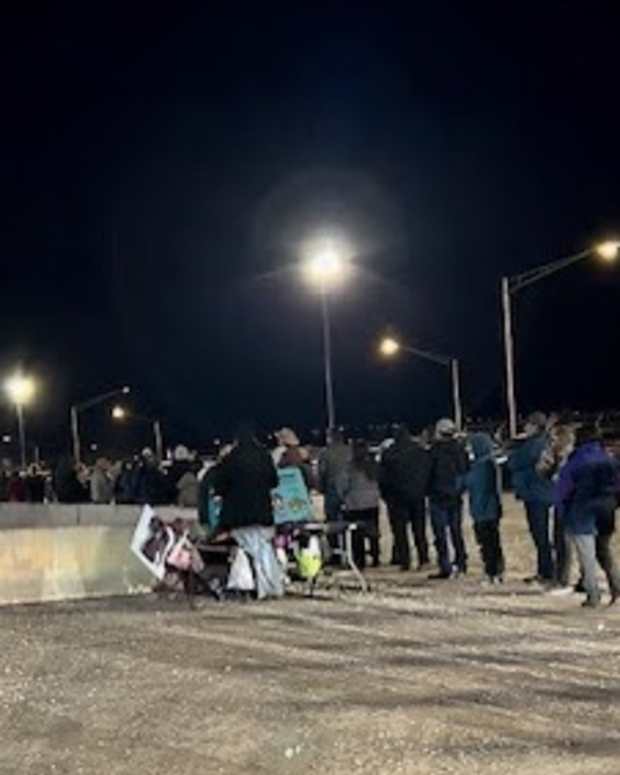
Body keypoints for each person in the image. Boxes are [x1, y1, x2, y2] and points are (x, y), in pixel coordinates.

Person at [212, 425, 283, 600]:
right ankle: (270, 587)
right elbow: (274, 481)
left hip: (238, 516)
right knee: (261, 548)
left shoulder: (230, 460)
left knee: (253, 549)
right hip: (262, 513)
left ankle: (257, 587)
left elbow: (219, 487)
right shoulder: (264, 456)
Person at [554, 424, 620, 608]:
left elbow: (563, 490)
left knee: (587, 556)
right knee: (604, 551)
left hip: (581, 511)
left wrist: (562, 511)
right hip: (606, 511)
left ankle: (593, 595)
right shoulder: (609, 460)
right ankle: (616, 586)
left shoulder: (575, 461)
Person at [508, 411, 555, 585]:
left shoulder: (534, 444)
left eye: (528, 424)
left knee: (540, 535)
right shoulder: (541, 442)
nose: (525, 427)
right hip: (540, 493)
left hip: (537, 494)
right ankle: (546, 570)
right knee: (541, 535)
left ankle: (547, 571)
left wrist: (516, 446)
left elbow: (514, 462)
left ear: (535, 426)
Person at [379, 425, 431, 571]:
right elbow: (427, 471)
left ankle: (404, 560)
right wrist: (423, 489)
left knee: (400, 532)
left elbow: (382, 478)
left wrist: (386, 496)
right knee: (419, 529)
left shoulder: (389, 454)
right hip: (417, 495)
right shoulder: (420, 452)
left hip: (396, 498)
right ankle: (423, 557)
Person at [427, 418, 469, 579]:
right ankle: (461, 563)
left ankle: (445, 566)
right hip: (455, 496)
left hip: (438, 497)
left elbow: (427, 474)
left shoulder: (434, 452)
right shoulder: (461, 451)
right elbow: (465, 472)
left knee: (440, 534)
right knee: (456, 531)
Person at [536, 423, 576, 592]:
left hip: (572, 504)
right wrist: (549, 460)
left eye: (554, 438)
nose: (551, 441)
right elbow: (543, 473)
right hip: (559, 502)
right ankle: (559, 577)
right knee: (558, 541)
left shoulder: (572, 456)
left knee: (566, 542)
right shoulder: (555, 455)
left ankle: (565, 580)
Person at [464, 433, 505, 584]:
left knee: (487, 543)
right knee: (493, 542)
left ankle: (492, 571)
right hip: (489, 509)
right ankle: (496, 571)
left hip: (483, 510)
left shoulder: (481, 466)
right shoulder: (490, 464)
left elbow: (470, 483)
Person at [337, 438, 381, 569]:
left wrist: (343, 498)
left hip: (355, 504)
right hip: (372, 503)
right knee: (373, 532)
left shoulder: (350, 467)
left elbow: (343, 485)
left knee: (357, 535)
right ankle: (375, 556)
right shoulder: (373, 466)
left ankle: (359, 560)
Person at [319, 429, 351, 523]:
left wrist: (321, 488)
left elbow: (322, 472)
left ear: (330, 438)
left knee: (331, 518)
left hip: (332, 488)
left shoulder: (325, 453)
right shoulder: (350, 451)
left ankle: (333, 536)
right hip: (349, 488)